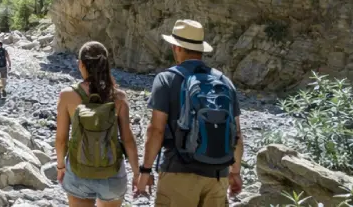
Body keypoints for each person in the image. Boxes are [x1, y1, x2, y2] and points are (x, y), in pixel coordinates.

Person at [135, 20, 244, 207]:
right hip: (217, 176)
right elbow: (238, 134)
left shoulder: (166, 79)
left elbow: (156, 131)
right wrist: (234, 172)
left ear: (176, 47)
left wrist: (145, 171)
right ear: (201, 49)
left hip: (178, 174)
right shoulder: (224, 81)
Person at [55, 41, 141, 207]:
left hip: (78, 172)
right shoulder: (119, 97)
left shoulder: (67, 96)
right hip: (112, 174)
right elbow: (128, 140)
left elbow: (61, 140)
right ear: (106, 64)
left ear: (81, 64)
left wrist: (60, 167)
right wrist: (137, 173)